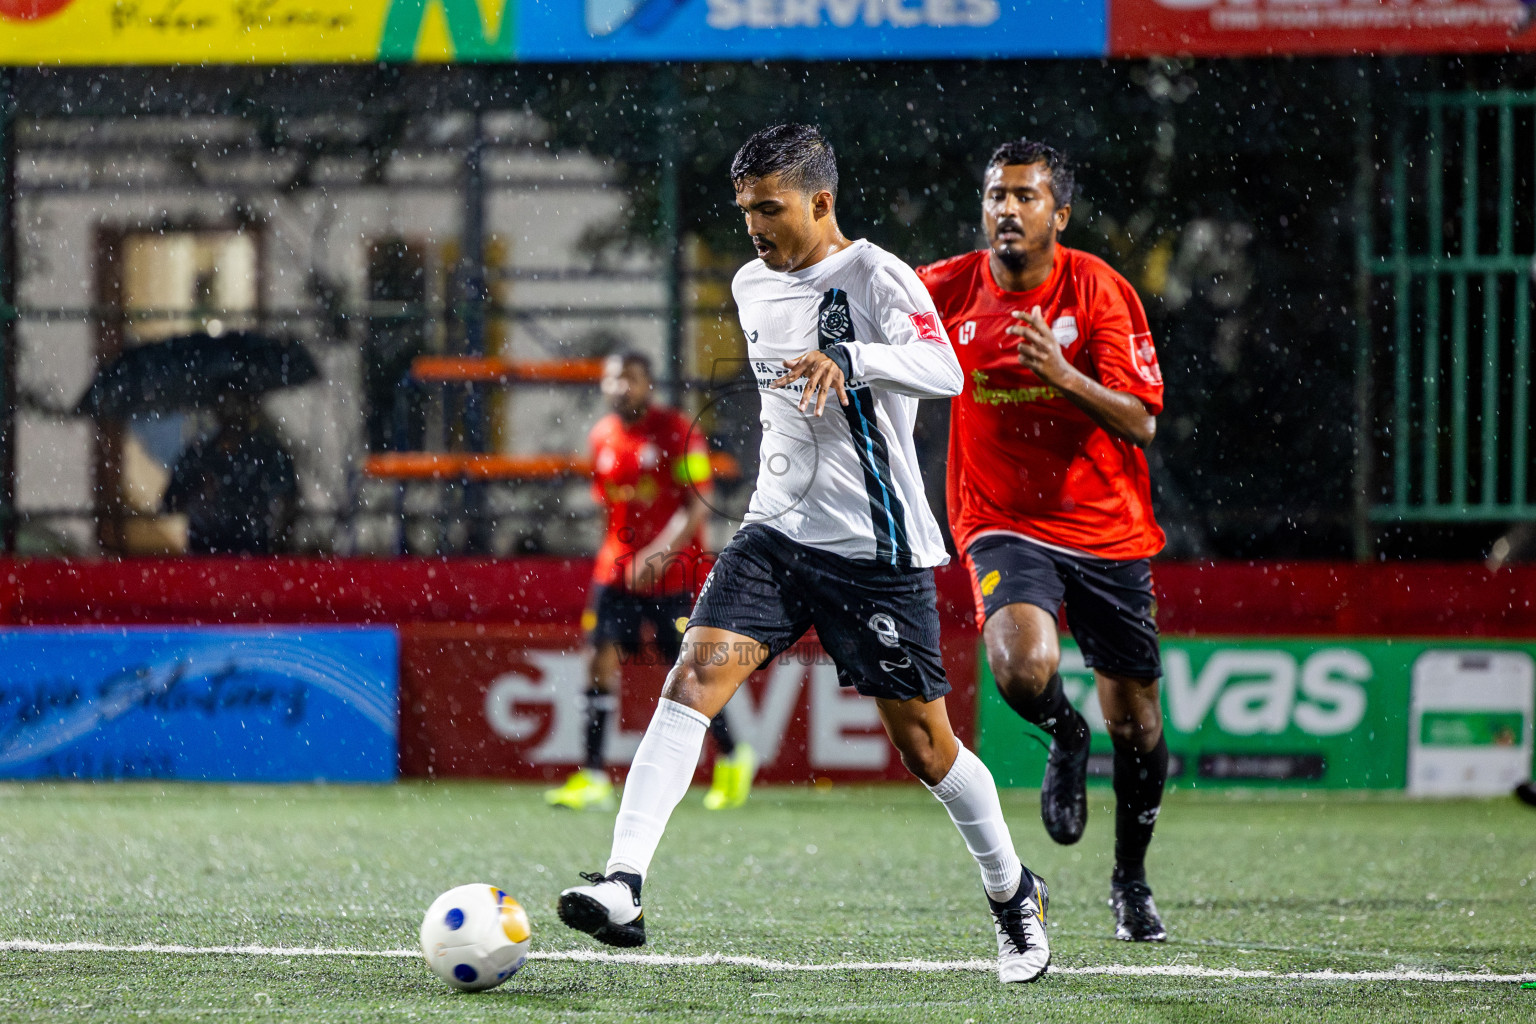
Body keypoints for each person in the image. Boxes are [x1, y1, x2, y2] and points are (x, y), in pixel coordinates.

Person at [557, 124, 1051, 985]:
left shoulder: (877, 275)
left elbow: (946, 371)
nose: (754, 225)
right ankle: (623, 883)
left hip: (876, 551)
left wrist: (852, 357)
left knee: (927, 749)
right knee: (691, 680)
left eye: (770, 208)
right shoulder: (750, 283)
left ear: (821, 201)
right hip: (775, 537)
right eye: (745, 208)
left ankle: (1013, 894)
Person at [917, 139, 1170, 943]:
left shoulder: (1099, 289)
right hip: (1000, 519)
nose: (1007, 209)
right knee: (1022, 667)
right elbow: (870, 305)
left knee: (1138, 722)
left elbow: (1141, 421)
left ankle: (1130, 880)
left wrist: (1063, 373)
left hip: (1106, 527)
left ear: (1058, 214)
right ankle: (1065, 732)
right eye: (997, 195)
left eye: (1026, 196)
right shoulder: (946, 287)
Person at [545, 351, 756, 813]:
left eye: (631, 379)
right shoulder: (601, 437)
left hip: (672, 575)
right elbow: (610, 508)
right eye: (613, 379)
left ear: (648, 384)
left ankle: (733, 756)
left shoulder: (678, 432)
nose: (621, 387)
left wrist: (659, 553)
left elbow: (698, 503)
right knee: (597, 661)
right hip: (615, 572)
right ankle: (594, 776)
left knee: (689, 675)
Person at [161, 393, 297, 555]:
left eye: (238, 404)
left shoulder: (269, 455)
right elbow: (170, 503)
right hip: (206, 553)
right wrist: (198, 492)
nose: (233, 411)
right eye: (226, 404)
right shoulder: (198, 456)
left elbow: (287, 503)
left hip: (255, 553)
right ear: (217, 409)